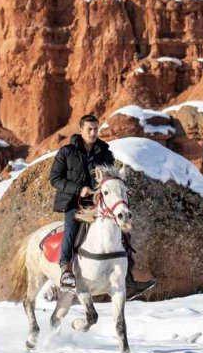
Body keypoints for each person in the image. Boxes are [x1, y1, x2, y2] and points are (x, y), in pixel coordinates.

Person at [48, 114, 155, 298]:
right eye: (89, 129)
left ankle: (127, 280)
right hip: (75, 202)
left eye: (96, 128)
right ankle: (66, 270)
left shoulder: (105, 152)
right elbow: (55, 179)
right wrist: (78, 189)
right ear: (80, 130)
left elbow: (110, 175)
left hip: (100, 203)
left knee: (122, 231)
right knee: (72, 227)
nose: (93, 132)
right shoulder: (66, 152)